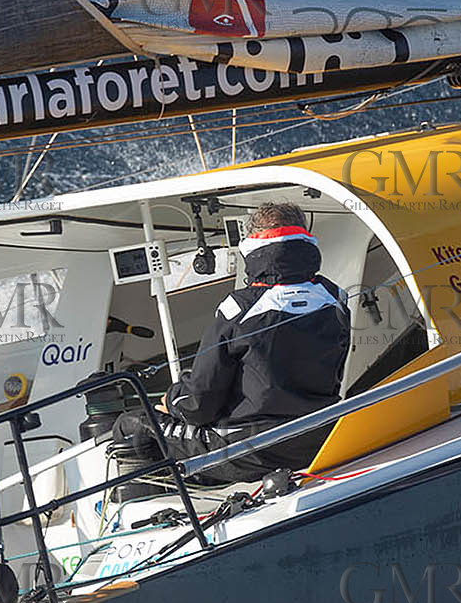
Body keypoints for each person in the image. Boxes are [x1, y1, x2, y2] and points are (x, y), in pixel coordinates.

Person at [117, 203, 350, 484]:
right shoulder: (336, 298)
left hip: (252, 450)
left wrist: (173, 400)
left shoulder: (238, 309)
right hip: (319, 437)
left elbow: (198, 404)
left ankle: (161, 501)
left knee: (131, 425)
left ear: (252, 247)